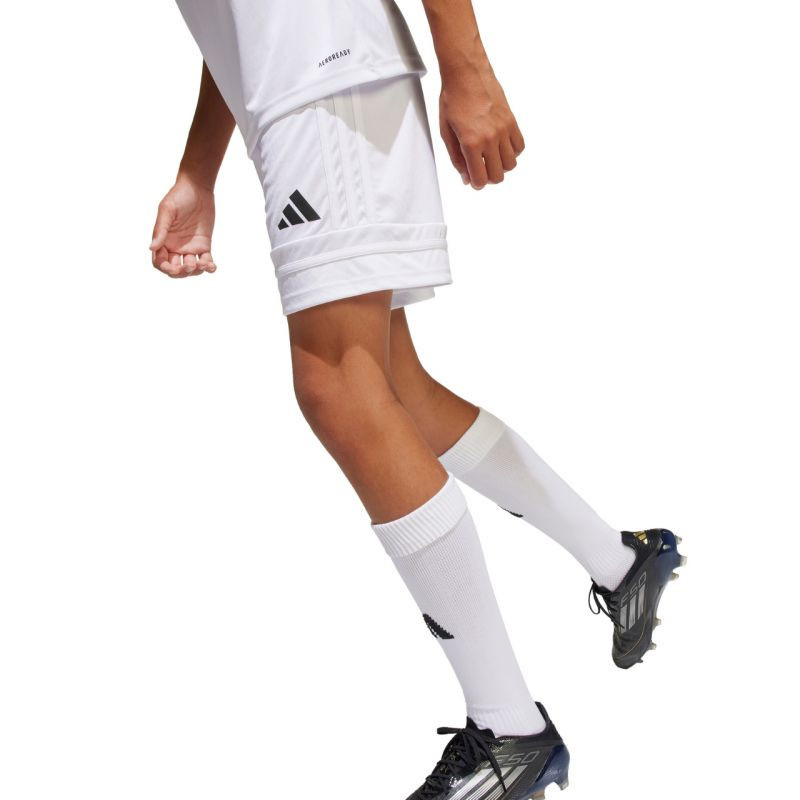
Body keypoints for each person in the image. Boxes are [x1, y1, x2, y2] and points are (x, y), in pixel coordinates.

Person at [150, 1, 686, 797]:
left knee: (337, 386)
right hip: (304, 91)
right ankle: (623, 563)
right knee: (391, 388)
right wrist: (199, 171)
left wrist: (469, 69)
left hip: (325, 82)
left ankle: (511, 729)